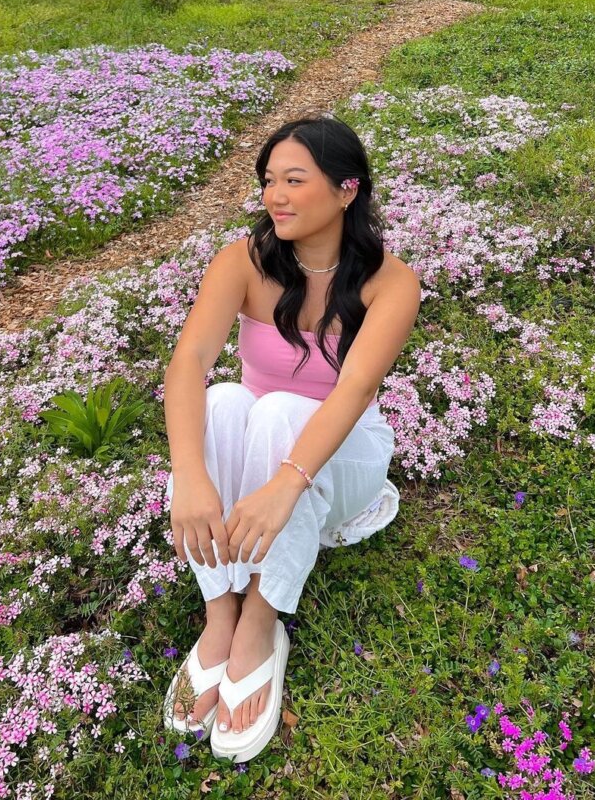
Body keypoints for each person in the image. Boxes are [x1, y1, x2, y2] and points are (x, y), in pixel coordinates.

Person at [162, 116, 421, 763]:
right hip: (265, 455)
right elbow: (188, 361)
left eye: (294, 180)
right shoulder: (241, 262)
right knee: (223, 399)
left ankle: (259, 621)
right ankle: (220, 609)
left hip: (343, 458)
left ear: (345, 190)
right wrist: (189, 476)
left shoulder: (391, 282)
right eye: (268, 180)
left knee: (280, 408)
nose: (274, 195)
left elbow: (353, 390)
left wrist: (285, 482)